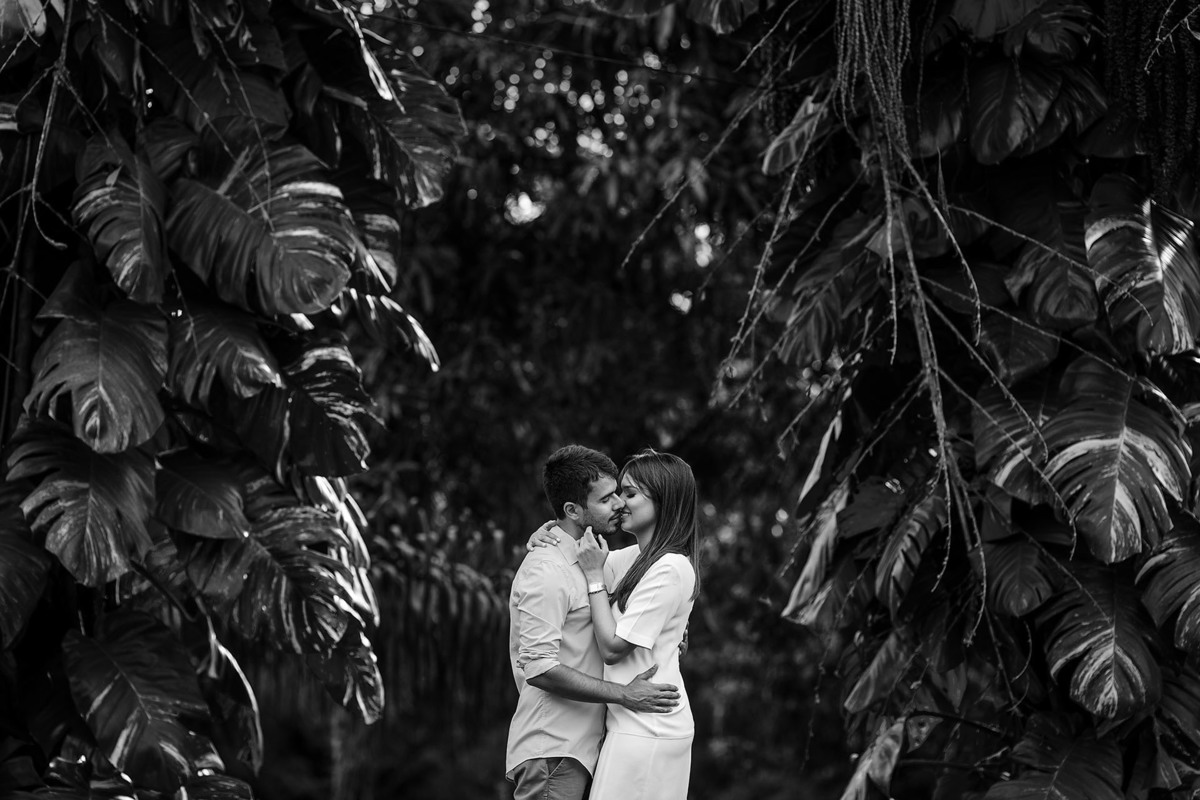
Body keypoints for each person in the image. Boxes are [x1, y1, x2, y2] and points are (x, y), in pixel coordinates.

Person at [505, 444, 681, 800]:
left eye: (620, 493)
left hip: (578, 750)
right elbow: (538, 667)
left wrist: (669, 624)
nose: (619, 504)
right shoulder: (547, 570)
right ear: (572, 509)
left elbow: (652, 570)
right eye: (606, 499)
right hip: (552, 749)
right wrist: (625, 696)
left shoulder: (591, 563)